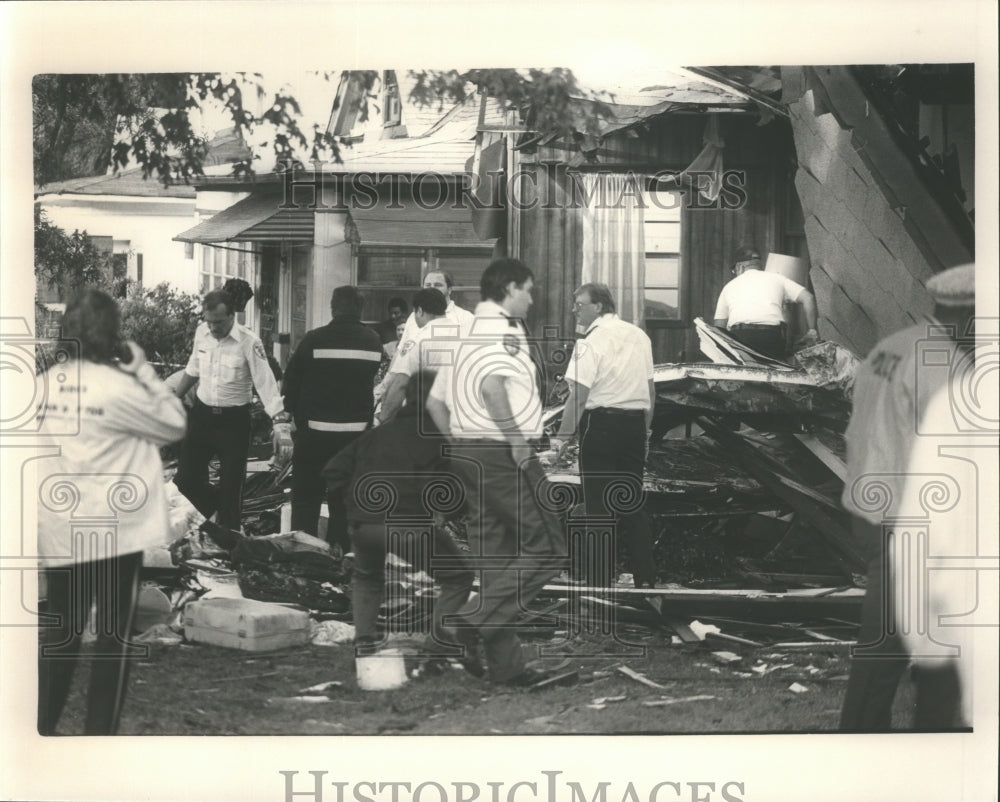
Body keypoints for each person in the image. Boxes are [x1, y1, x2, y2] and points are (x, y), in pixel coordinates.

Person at [36, 289, 187, 734]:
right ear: (111, 335)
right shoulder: (121, 389)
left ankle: (42, 729)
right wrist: (141, 368)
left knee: (61, 634)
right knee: (112, 636)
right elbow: (175, 422)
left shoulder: (42, 386)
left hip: (63, 529)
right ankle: (98, 736)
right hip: (118, 532)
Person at [838, 262, 975, 731]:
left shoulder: (890, 347)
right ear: (970, 315)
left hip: (870, 506)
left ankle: (871, 734)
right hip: (914, 520)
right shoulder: (949, 367)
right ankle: (883, 739)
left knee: (897, 633)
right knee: (907, 639)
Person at [426, 258, 567, 686]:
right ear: (508, 289)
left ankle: (507, 669)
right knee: (549, 546)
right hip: (504, 454)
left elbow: (435, 404)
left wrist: (461, 445)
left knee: (494, 560)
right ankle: (468, 621)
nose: (532, 297)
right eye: (528, 289)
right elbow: (491, 388)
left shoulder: (465, 331)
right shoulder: (503, 330)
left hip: (468, 454)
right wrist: (517, 443)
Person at [323, 372, 476, 670]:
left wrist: (353, 506)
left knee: (367, 577)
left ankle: (365, 643)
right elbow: (450, 491)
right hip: (407, 524)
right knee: (457, 578)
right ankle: (435, 651)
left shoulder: (378, 433)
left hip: (362, 523)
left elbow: (333, 470)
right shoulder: (438, 435)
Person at [551, 282, 657, 589]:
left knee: (598, 508)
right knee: (632, 505)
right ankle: (647, 581)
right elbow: (650, 393)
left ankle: (600, 585)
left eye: (579, 304)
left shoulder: (589, 342)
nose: (574, 309)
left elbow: (579, 397)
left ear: (599, 306)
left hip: (601, 426)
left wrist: (560, 440)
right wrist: (645, 434)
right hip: (634, 426)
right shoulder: (639, 336)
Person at [171, 289, 288, 532]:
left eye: (219, 322)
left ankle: (229, 536)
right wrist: (173, 397)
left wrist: (280, 423)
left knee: (231, 487)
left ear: (232, 316)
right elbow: (193, 368)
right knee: (185, 481)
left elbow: (265, 382)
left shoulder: (249, 341)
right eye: (209, 321)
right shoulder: (202, 333)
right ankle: (214, 515)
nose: (213, 328)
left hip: (233, 423)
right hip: (202, 417)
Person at [281, 286, 383, 548]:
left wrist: (289, 415)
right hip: (354, 438)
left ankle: (304, 553)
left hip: (314, 435)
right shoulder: (373, 341)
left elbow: (291, 381)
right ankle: (339, 558)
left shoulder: (315, 340)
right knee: (344, 503)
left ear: (333, 308)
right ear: (360, 309)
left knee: (306, 499)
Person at [712, 247, 818, 359]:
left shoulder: (728, 287)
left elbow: (719, 327)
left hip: (740, 338)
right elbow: (808, 298)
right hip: (771, 337)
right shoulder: (778, 279)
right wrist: (812, 330)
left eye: (734, 271)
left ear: (739, 267)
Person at [376, 287, 458, 425]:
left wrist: (382, 418)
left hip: (427, 420)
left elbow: (401, 383)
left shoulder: (418, 340)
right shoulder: (464, 335)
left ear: (419, 311)